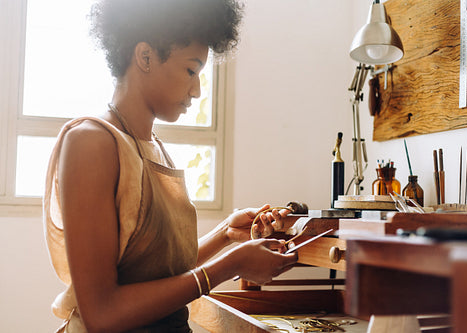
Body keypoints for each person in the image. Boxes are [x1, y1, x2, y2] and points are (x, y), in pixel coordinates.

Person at [42, 0, 298, 332]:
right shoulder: (91, 142)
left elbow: (153, 274)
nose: (197, 90)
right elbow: (102, 314)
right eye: (191, 70)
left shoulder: (155, 147)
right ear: (145, 56)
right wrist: (228, 266)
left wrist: (226, 234)